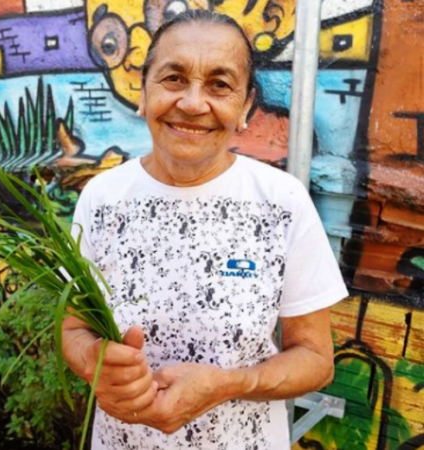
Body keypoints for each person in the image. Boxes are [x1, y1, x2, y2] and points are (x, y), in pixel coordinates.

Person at [63, 10, 348, 450]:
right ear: (143, 91)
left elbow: (316, 361)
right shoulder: (102, 199)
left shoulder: (281, 203)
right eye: (174, 78)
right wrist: (92, 360)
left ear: (246, 106)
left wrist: (230, 383)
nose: (194, 103)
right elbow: (73, 328)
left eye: (219, 84)